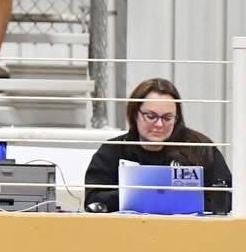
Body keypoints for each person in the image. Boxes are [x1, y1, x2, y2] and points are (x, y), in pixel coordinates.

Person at [84, 77, 233, 214]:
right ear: (135, 114)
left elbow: (228, 199)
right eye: (151, 116)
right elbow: (93, 201)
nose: (159, 124)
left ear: (177, 118)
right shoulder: (112, 151)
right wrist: (143, 195)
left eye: (167, 118)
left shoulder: (199, 147)